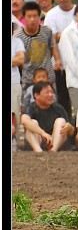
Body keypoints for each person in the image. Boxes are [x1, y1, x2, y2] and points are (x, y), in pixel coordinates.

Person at [43, 0, 76, 113]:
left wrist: (61, 35)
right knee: (63, 99)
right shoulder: (51, 15)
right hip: (60, 64)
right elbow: (51, 39)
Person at [20, 81, 75, 152]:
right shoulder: (31, 107)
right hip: (38, 140)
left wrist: (69, 127)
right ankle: (39, 151)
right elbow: (24, 120)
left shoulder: (58, 108)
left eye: (52, 92)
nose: (51, 95)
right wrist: (43, 133)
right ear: (36, 95)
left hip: (55, 140)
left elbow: (70, 129)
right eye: (47, 93)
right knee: (32, 122)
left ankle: (53, 150)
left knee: (61, 121)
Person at [16, 1, 59, 90]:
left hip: (48, 78)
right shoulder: (18, 36)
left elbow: (52, 47)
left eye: (35, 16)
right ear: (24, 17)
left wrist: (58, 60)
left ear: (39, 16)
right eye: (29, 16)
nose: (32, 19)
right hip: (28, 80)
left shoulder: (47, 31)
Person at [11, 18, 25, 149]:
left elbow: (20, 59)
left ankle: (12, 138)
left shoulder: (17, 42)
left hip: (13, 81)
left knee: (13, 111)